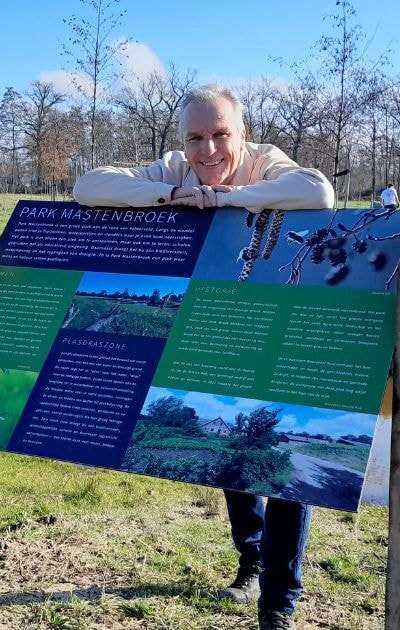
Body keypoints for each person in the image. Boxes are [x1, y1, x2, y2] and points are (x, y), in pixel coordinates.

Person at [74, 84, 334, 630]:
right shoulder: (174, 169)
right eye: (195, 137)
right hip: (219, 321)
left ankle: (279, 603)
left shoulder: (267, 162)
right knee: (236, 450)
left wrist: (224, 199)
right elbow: (88, 185)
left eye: (220, 134)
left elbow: (318, 192)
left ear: (242, 134)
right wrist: (173, 195)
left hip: (278, 317)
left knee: (282, 467)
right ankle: (251, 558)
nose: (207, 149)